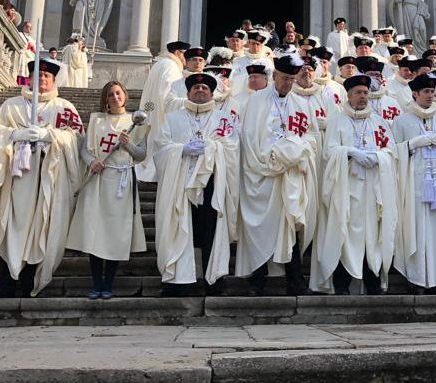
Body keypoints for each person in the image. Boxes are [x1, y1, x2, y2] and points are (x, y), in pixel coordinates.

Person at [0, 58, 84, 297]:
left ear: (54, 80)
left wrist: (50, 136)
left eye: (46, 77)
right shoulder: (11, 106)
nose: (42, 81)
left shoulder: (64, 107)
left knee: (42, 229)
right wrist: (15, 134)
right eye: (38, 77)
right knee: (11, 228)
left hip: (48, 180)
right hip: (17, 182)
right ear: (30, 79)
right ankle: (5, 285)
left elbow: (77, 140)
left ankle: (29, 283)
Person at [235, 54, 319, 295]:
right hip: (262, 175)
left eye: (291, 79)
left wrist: (296, 152)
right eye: (284, 79)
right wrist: (272, 159)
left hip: (289, 177)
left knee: (290, 225)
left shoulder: (301, 104)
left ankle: (295, 280)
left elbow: (310, 137)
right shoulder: (256, 102)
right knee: (259, 227)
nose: (288, 84)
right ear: (274, 77)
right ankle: (257, 280)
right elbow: (249, 139)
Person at [310, 74, 399, 294]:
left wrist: (379, 157)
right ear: (348, 96)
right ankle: (342, 284)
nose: (363, 97)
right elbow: (329, 152)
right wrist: (350, 152)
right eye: (358, 93)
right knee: (345, 234)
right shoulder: (337, 120)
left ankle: (373, 282)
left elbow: (392, 152)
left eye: (365, 93)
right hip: (347, 190)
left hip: (372, 191)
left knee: (372, 237)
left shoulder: (378, 121)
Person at [153, 72, 240, 296]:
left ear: (212, 93)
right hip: (180, 184)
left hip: (212, 182)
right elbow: (161, 148)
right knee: (180, 227)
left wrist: (212, 149)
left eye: (205, 89)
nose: (200, 91)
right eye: (196, 88)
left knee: (212, 230)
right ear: (188, 93)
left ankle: (215, 281)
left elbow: (232, 147)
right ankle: (178, 281)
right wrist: (181, 149)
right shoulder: (173, 118)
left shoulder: (223, 118)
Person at [66, 81, 147, 299]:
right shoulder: (96, 120)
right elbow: (85, 149)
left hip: (121, 180)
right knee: (96, 232)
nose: (115, 97)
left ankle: (108, 284)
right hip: (98, 180)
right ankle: (96, 282)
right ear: (105, 98)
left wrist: (128, 144)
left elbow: (141, 155)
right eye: (110, 94)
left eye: (118, 93)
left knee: (115, 234)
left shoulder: (136, 122)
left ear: (125, 95)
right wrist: (92, 162)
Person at [391, 73, 436, 291]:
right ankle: (416, 278)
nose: (430, 96)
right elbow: (393, 152)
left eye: (432, 91)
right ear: (415, 94)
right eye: (426, 92)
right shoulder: (402, 120)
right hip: (414, 181)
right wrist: (412, 144)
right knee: (416, 227)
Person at [134, 40, 189, 183]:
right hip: (162, 112)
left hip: (151, 109)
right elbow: (167, 95)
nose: (186, 60)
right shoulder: (171, 67)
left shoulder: (160, 64)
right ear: (178, 53)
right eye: (185, 55)